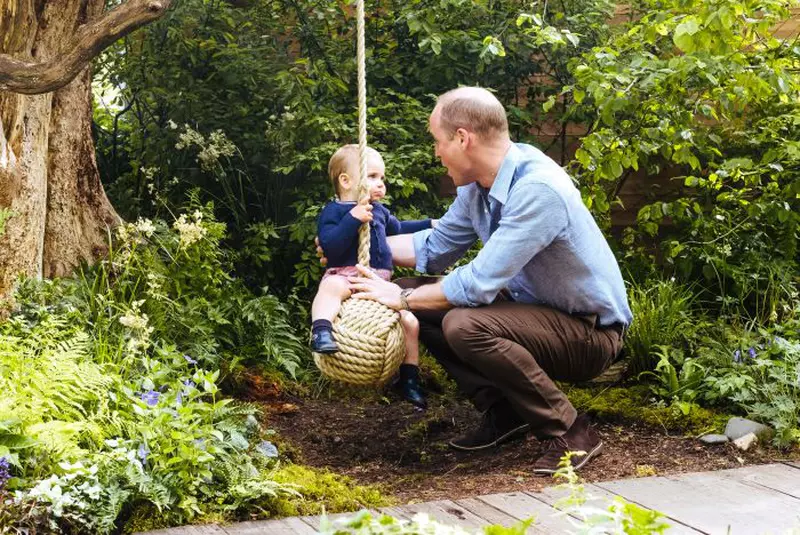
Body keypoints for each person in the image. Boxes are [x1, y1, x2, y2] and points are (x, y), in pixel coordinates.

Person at [346, 87, 633, 474]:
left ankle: (570, 431)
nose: (436, 152)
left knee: (461, 323)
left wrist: (399, 298)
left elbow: (478, 283)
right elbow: (436, 246)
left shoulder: (538, 189)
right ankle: (506, 412)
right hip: (535, 315)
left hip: (589, 334)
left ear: (462, 138)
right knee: (420, 295)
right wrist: (351, 248)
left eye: (438, 141)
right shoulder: (477, 187)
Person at [311, 144, 433, 409]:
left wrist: (429, 224)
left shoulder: (379, 210)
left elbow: (399, 228)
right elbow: (330, 246)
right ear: (346, 181)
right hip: (346, 276)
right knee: (330, 286)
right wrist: (353, 219)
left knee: (409, 321)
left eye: (382, 178)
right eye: (373, 176)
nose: (381, 184)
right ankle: (321, 331)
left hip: (378, 284)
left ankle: (409, 378)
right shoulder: (334, 212)